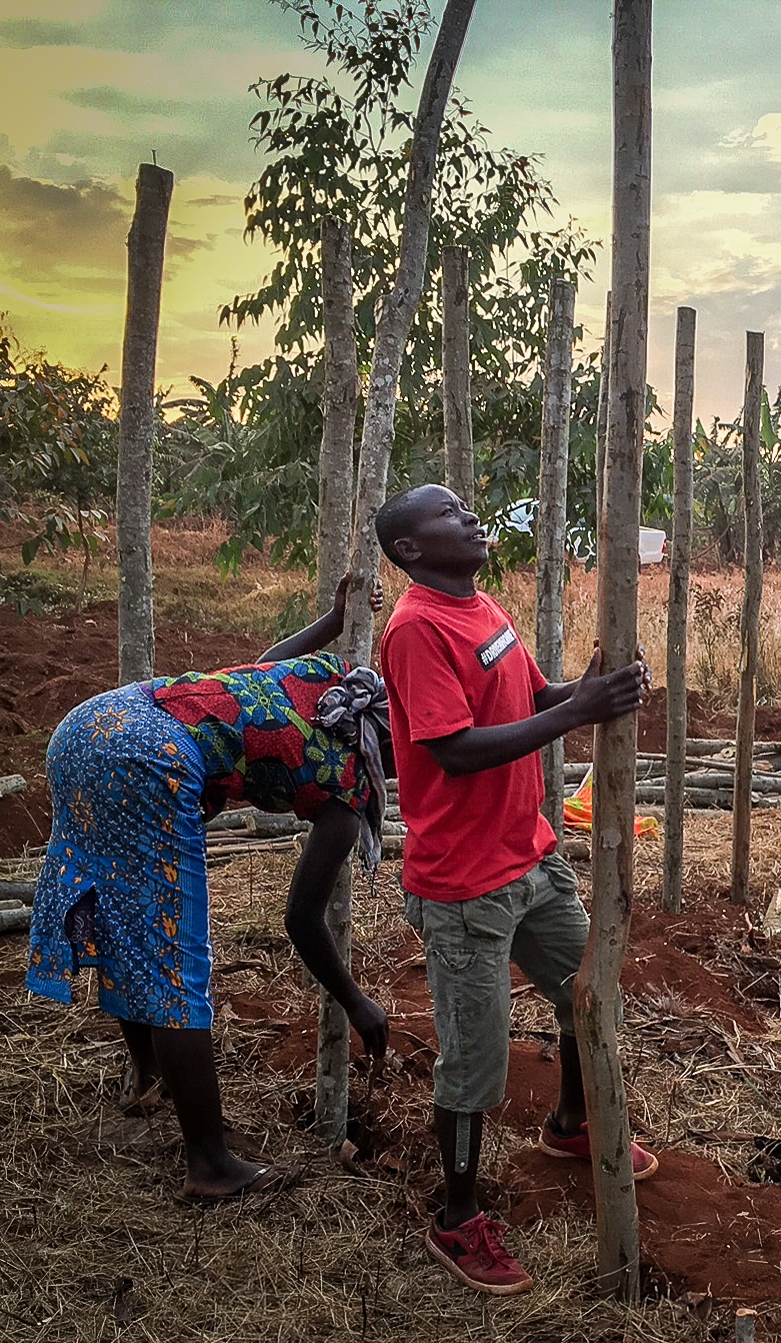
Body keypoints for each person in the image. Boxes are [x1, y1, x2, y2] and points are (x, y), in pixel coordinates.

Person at [26, 575, 392, 1203]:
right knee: (174, 957)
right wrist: (357, 1001)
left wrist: (331, 622)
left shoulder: (335, 681)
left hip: (91, 723)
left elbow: (259, 668)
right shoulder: (348, 789)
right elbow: (302, 919)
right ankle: (211, 1164)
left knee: (123, 918)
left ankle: (146, 1076)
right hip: (147, 754)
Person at [374, 483, 653, 1297]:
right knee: (476, 1064)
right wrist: (578, 714)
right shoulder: (416, 629)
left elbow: (533, 698)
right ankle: (457, 1216)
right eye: (445, 513)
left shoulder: (483, 605)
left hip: (530, 859)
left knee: (586, 996)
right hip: (465, 886)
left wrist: (590, 691)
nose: (468, 516)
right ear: (412, 550)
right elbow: (455, 749)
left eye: (464, 506)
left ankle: (569, 1124)